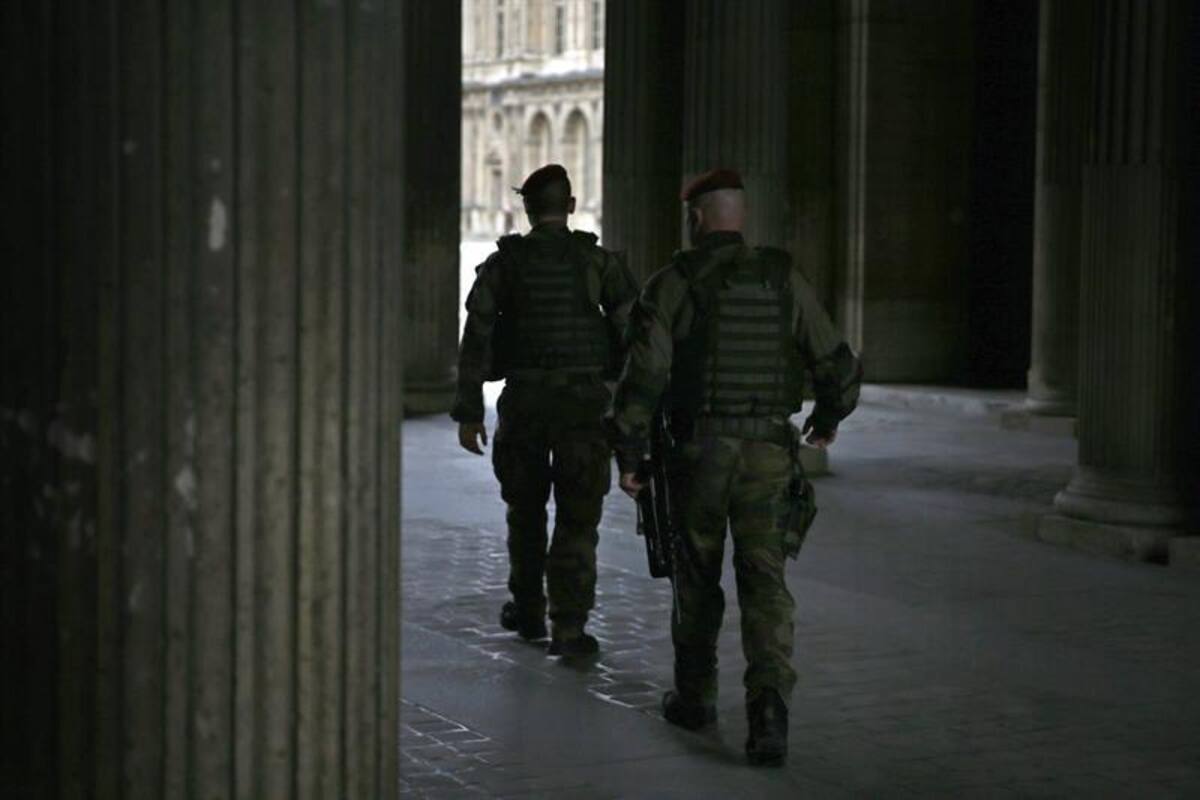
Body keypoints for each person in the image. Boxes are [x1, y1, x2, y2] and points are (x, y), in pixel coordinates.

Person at [608, 168, 862, 765]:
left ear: (696, 218)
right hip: (770, 454)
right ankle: (769, 707)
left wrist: (630, 454)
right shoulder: (783, 277)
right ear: (740, 216)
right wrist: (828, 418)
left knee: (696, 574)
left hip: (697, 454)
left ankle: (695, 698)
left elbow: (643, 377)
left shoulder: (673, 283)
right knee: (766, 581)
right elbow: (836, 360)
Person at [452, 164, 640, 657]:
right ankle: (570, 626)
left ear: (528, 211)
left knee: (525, 510)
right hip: (583, 405)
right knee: (579, 518)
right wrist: (622, 395)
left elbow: (476, 337)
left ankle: (529, 610)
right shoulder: (597, 263)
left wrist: (469, 410)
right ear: (571, 207)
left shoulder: (504, 264)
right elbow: (633, 333)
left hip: (525, 402)